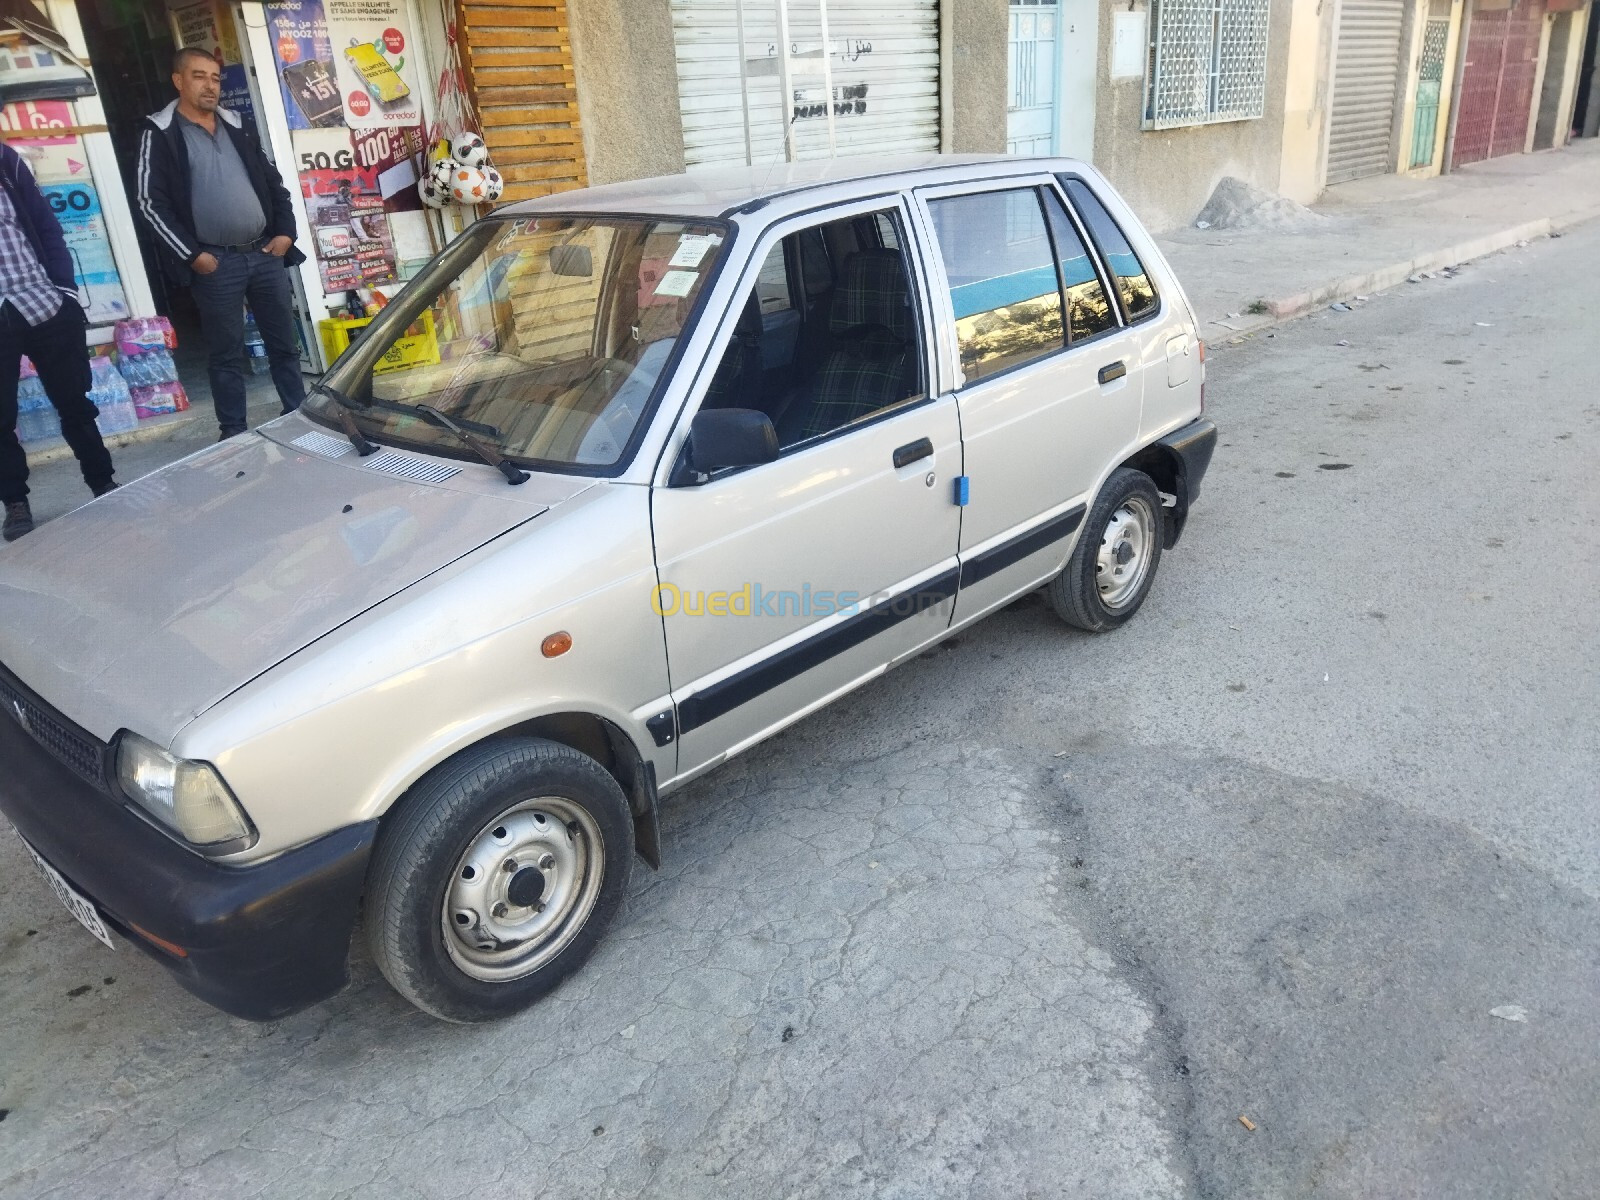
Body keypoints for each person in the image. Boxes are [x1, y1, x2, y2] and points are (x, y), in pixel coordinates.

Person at [136, 47, 307, 439]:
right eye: (199, 76)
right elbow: (150, 204)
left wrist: (285, 233)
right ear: (178, 80)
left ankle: (297, 416)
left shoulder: (236, 125)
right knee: (226, 355)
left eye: (215, 78)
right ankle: (233, 433)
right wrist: (193, 256)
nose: (210, 85)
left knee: (284, 345)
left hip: (265, 255)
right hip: (216, 265)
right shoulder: (160, 133)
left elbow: (274, 184)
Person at [1, 142, 117, 542]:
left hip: (43, 302)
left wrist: (65, 292)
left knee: (75, 403)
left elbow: (46, 226)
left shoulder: (6, 162)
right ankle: (15, 503)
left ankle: (103, 483)